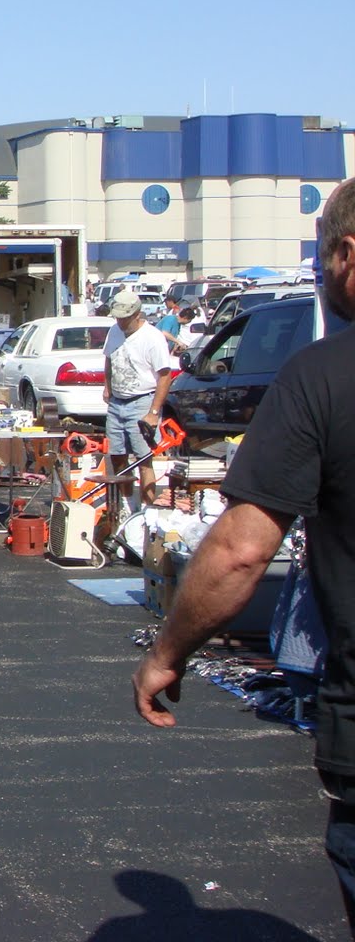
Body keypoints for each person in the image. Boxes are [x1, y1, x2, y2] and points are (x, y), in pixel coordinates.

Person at [133, 176, 355, 929]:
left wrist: (170, 649)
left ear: (347, 256)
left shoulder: (323, 375)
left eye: (324, 259)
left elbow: (239, 553)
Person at [103, 288, 176, 509]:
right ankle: (127, 506)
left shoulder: (152, 338)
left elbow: (165, 375)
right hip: (117, 402)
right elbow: (109, 360)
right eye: (118, 317)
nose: (120, 322)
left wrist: (153, 412)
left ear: (136, 314)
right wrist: (108, 387)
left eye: (124, 318)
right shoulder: (114, 332)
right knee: (117, 457)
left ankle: (147, 510)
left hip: (142, 400)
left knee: (144, 458)